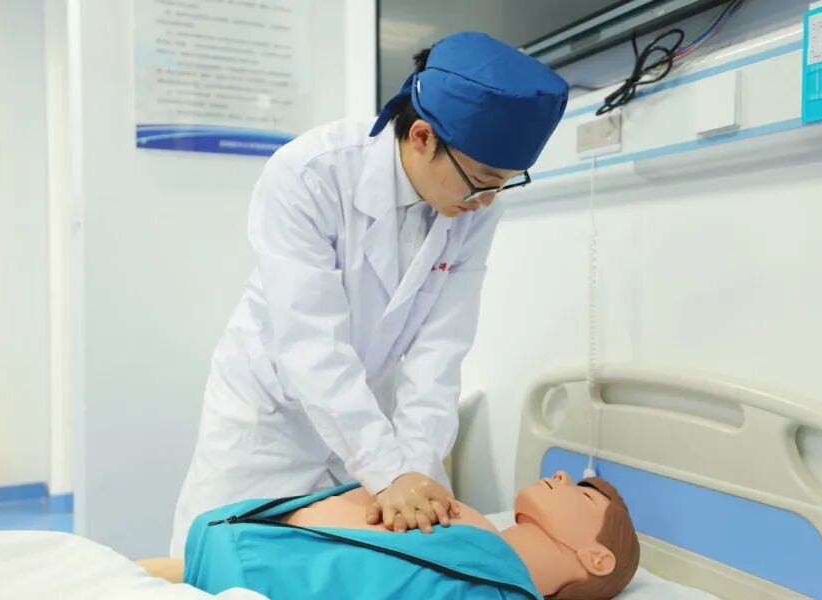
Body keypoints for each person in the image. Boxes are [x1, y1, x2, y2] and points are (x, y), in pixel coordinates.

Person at [170, 31, 569, 555]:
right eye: (482, 180)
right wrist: (386, 472)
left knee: (356, 568)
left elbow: (439, 351)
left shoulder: (472, 208)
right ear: (422, 137)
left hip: (369, 418)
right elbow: (310, 343)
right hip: (271, 419)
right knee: (221, 562)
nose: (488, 202)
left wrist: (414, 472)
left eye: (505, 184)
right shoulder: (310, 174)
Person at [143, 471, 639, 599]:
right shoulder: (477, 531)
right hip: (234, 542)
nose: (562, 476)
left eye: (585, 495)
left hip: (251, 575)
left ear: (597, 558)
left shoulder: (501, 588)